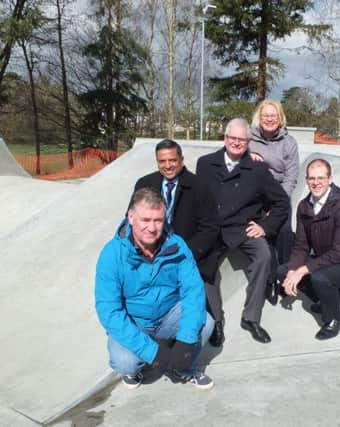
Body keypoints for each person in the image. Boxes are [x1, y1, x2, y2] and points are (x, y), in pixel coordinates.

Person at [95, 188, 214, 390]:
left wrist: (186, 342)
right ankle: (137, 364)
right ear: (131, 218)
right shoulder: (111, 254)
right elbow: (109, 311)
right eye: (145, 220)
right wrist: (154, 353)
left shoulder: (177, 246)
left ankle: (183, 367)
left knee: (207, 322)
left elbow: (193, 292)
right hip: (135, 320)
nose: (152, 228)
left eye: (158, 220)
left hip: (168, 314)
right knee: (125, 363)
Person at [196, 118, 290, 344]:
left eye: (242, 139)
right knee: (203, 262)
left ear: (248, 142)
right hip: (214, 228)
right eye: (232, 138)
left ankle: (251, 318)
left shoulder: (257, 168)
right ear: (225, 138)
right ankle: (216, 320)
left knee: (264, 256)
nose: (236, 143)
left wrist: (265, 226)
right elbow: (197, 199)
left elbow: (281, 202)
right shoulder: (206, 163)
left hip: (243, 227)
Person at [132, 139, 222, 345]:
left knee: (203, 281)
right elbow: (133, 220)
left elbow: (210, 227)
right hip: (152, 252)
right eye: (162, 161)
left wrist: (184, 254)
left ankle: (215, 322)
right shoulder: (144, 184)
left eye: (172, 160)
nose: (168, 165)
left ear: (181, 160)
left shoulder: (199, 186)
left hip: (189, 251)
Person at [279, 159, 340, 340]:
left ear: (330, 179)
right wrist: (292, 271)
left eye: (321, 178)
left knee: (319, 277)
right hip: (326, 260)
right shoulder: (304, 207)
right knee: (282, 271)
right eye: (312, 178)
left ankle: (334, 320)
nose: (316, 182)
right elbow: (301, 245)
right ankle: (332, 297)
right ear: (306, 180)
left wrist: (303, 270)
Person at [249, 99, 300, 302]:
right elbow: (234, 159)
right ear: (259, 118)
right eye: (265, 115)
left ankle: (284, 276)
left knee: (284, 231)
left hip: (279, 195)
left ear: (280, 118)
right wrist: (248, 156)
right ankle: (269, 279)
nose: (269, 119)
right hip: (256, 197)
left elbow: (291, 176)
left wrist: (278, 204)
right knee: (263, 234)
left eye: (273, 115)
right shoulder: (249, 140)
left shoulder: (289, 143)